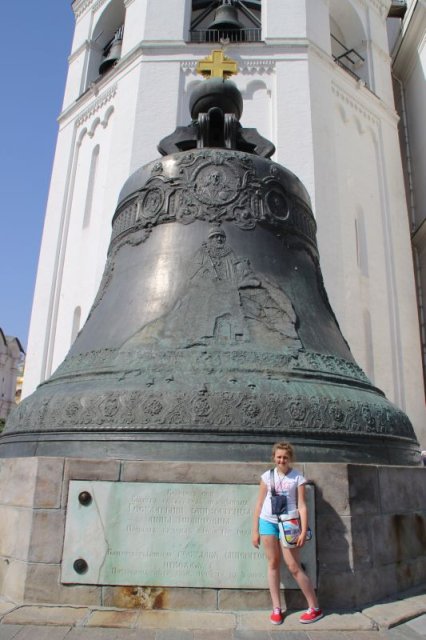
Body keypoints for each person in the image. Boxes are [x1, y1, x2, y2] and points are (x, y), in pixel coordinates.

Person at [251, 441, 323, 625]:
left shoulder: (297, 478)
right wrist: (255, 530)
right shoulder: (267, 476)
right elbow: (259, 504)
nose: (281, 460)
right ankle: (276, 608)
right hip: (268, 522)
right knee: (273, 563)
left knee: (293, 566)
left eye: (285, 457)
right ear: (274, 457)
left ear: (290, 458)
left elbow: (302, 506)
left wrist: (303, 530)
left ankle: (315, 607)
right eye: (279, 457)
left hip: (289, 524)